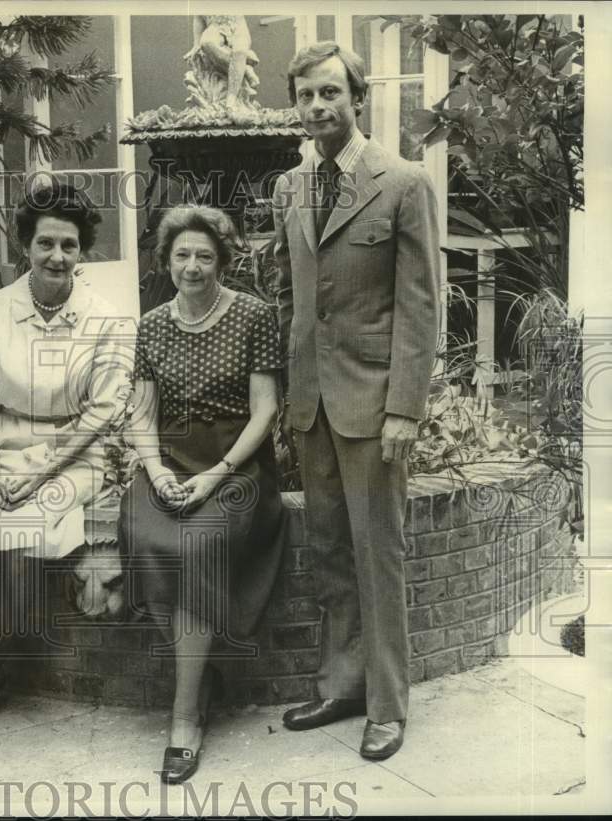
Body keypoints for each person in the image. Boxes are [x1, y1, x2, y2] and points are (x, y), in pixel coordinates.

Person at [272, 42, 440, 760]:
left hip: (374, 405)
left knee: (380, 555)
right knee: (331, 551)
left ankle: (387, 704)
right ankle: (341, 684)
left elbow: (422, 306)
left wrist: (405, 406)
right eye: (307, 95)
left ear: (356, 98)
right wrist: (287, 398)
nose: (318, 107)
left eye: (330, 94)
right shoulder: (290, 187)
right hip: (313, 406)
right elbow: (291, 296)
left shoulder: (402, 183)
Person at [0, 182, 133, 740]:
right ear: (25, 246)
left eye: (70, 246)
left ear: (82, 252)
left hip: (75, 458)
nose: (57, 256)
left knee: (26, 533)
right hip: (2, 451)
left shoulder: (106, 317)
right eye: (45, 243)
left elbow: (102, 415)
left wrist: (41, 473)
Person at [118, 205, 287, 784]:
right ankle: (202, 672)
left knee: (197, 548)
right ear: (166, 260)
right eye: (181, 255)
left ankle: (185, 716)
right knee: (142, 531)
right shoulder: (153, 324)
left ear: (223, 261)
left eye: (204, 256)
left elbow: (266, 410)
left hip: (234, 465)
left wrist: (216, 473)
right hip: (169, 460)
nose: (192, 267)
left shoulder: (253, 316)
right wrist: (154, 468)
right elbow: (142, 412)